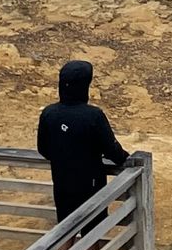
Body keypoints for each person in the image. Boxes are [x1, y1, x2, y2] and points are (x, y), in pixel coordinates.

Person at [35, 59, 129, 221]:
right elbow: (111, 150)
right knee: (92, 229)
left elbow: (43, 148)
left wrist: (63, 157)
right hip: (90, 182)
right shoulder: (93, 115)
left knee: (64, 229)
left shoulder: (49, 113)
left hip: (62, 180)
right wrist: (126, 159)